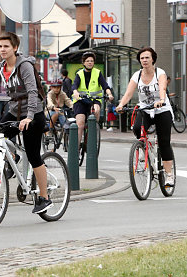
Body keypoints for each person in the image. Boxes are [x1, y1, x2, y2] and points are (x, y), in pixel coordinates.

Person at [0, 31, 52, 214]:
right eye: (0, 46)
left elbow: (32, 92)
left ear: (15, 48)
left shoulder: (24, 66)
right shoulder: (1, 68)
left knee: (33, 154)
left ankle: (44, 197)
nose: (3, 49)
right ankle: (13, 158)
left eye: (6, 46)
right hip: (14, 111)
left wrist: (29, 117)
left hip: (34, 112)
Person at [116, 47, 175, 186]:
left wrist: (161, 100)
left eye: (147, 57)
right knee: (137, 128)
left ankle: (169, 175)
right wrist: (121, 105)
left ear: (153, 59)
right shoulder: (137, 75)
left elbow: (162, 88)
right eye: (142, 58)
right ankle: (142, 147)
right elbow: (129, 93)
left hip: (162, 109)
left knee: (164, 141)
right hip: (145, 109)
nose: (144, 60)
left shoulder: (160, 73)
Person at [71, 51, 114, 146]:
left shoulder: (97, 73)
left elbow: (105, 86)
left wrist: (109, 94)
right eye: (87, 61)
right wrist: (75, 92)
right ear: (83, 63)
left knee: (96, 109)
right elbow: (74, 86)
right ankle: (76, 149)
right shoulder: (79, 74)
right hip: (80, 101)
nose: (90, 62)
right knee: (80, 124)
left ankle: (93, 128)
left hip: (94, 100)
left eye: (91, 61)